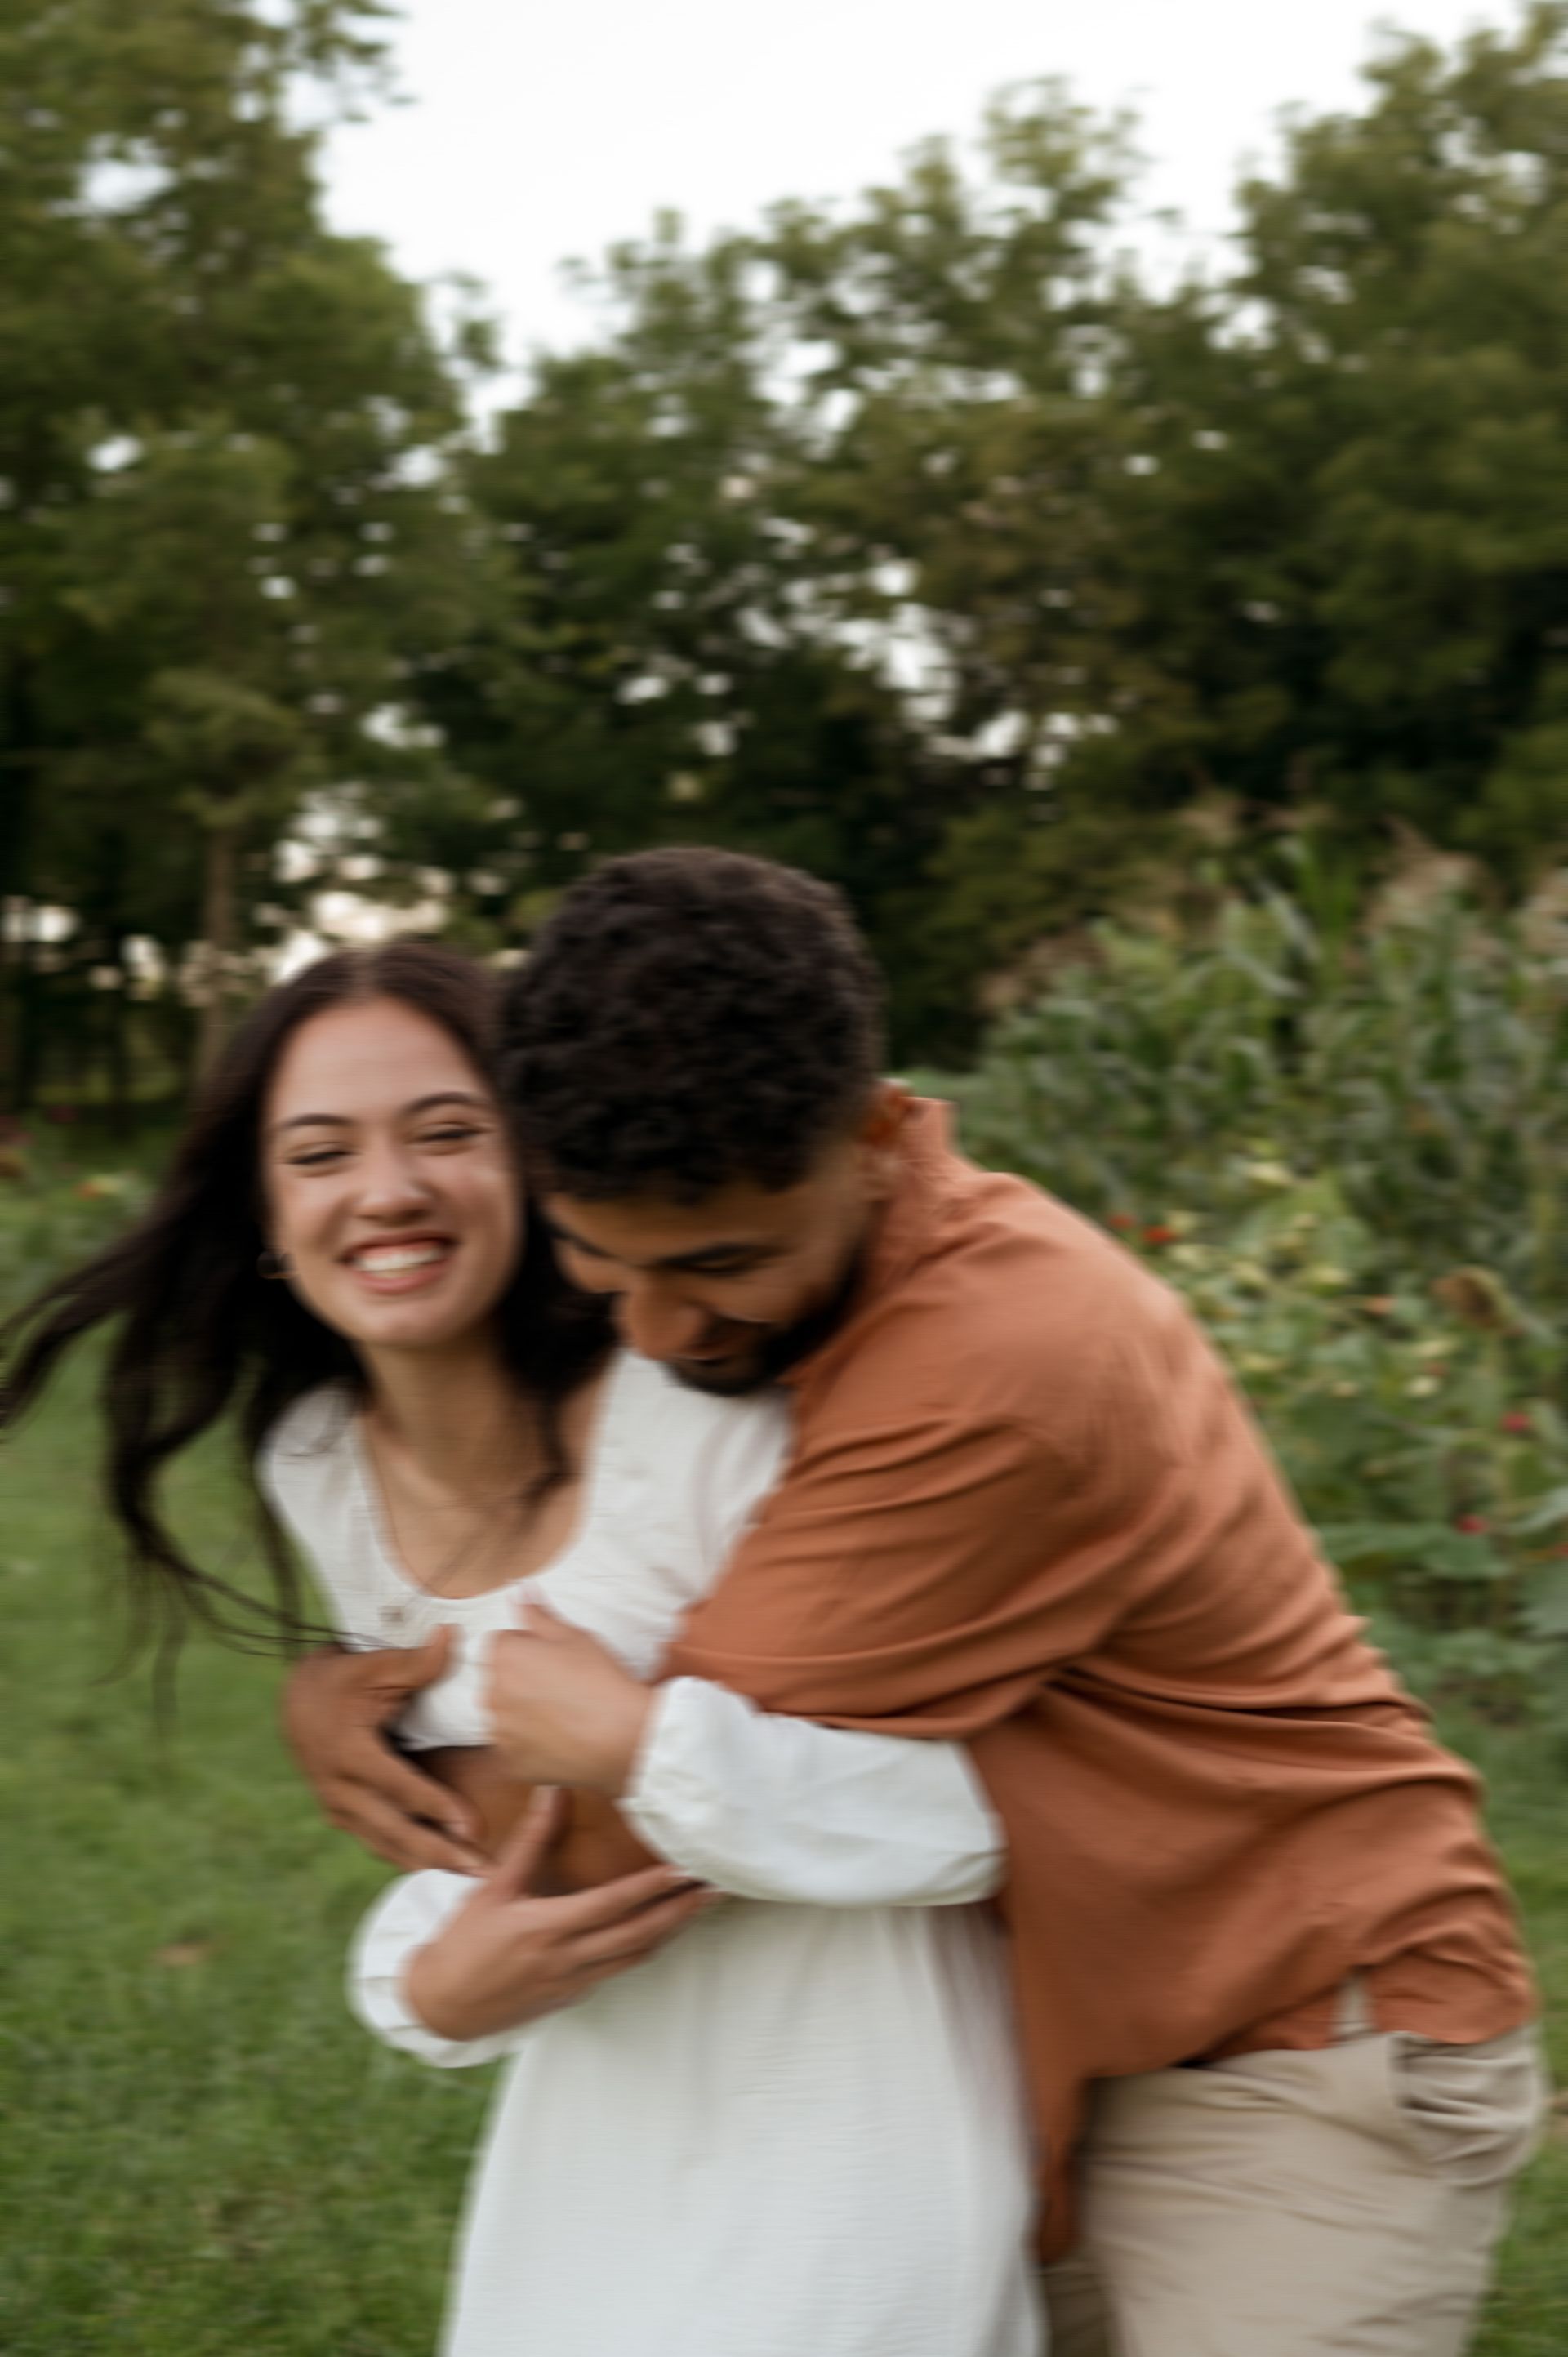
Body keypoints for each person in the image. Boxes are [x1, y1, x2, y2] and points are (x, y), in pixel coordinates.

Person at [291, 849, 1549, 2357]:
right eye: (596, 1266)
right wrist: (352, 1691)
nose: (661, 1332)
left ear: (880, 1134)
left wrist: (417, 1859)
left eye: (719, 1265)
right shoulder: (780, 1314)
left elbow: (609, 1825)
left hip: (1295, 2034)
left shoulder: (989, 1370)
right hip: (1062, 2025)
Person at [2, 940, 1044, 2357]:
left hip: (858, 2087)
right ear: (264, 1206)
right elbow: (497, 1819)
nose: (388, 1191)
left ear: (547, 1163)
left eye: (448, 1132)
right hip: (603, 2111)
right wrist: (439, 1977)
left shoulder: (706, 1417)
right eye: (319, 1152)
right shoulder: (325, 1463)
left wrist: (443, 1941)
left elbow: (984, 1808)